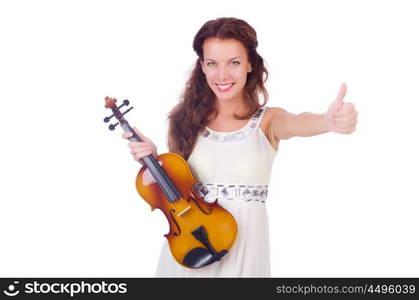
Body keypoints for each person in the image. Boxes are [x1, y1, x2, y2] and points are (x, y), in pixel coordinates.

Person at [123, 17, 358, 277]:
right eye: (212, 64)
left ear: (249, 64)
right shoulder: (184, 121)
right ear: (202, 66)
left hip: (246, 252)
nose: (222, 75)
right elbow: (178, 198)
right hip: (191, 250)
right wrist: (156, 162)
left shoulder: (267, 121)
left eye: (233, 63)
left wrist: (328, 121)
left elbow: (297, 122)